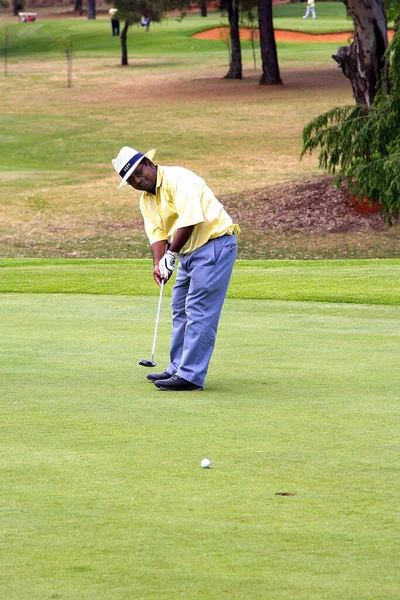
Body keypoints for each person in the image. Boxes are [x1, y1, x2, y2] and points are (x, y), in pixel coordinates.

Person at [112, 146, 240, 392]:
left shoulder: (177, 178)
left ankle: (191, 376)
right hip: (188, 252)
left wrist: (171, 255)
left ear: (148, 163)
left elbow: (190, 219)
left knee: (198, 310)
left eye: (139, 173)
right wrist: (159, 263)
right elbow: (157, 234)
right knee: (179, 307)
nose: (138, 181)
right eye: (131, 181)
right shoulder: (146, 201)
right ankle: (177, 368)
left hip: (214, 245)